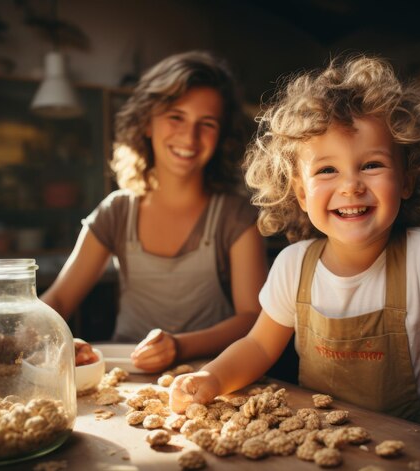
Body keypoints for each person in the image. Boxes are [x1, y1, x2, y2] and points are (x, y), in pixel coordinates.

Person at [169, 55, 420, 471]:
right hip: (327, 451)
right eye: (327, 170)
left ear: (407, 179)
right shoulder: (292, 265)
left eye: (371, 165)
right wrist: (212, 378)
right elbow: (259, 345)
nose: (351, 185)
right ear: (300, 192)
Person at [41, 51, 267, 372]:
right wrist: (49, 334)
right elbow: (59, 301)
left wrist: (179, 346)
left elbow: (252, 318)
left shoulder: (235, 216)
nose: (189, 137)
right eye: (176, 117)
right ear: (147, 122)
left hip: (210, 377)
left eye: (207, 124)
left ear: (222, 137)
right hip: (124, 375)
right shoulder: (117, 211)